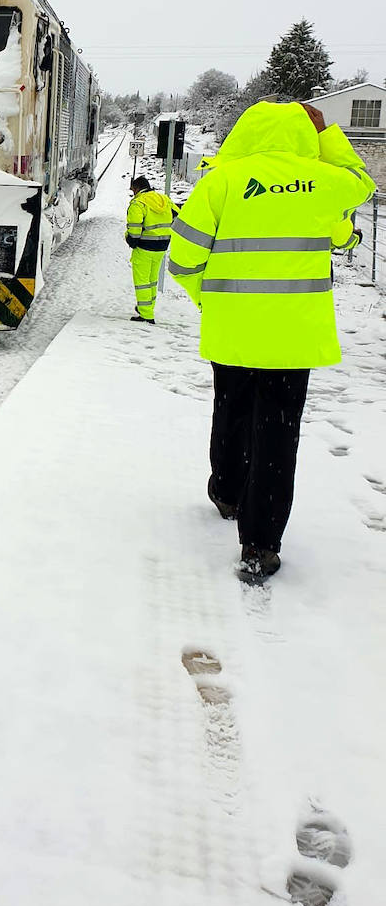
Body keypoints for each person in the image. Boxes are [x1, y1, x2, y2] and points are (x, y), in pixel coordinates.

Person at [168, 100, 375, 581]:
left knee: (232, 411)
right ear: (304, 134)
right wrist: (326, 136)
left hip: (234, 331)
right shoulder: (323, 183)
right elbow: (361, 183)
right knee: (279, 435)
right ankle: (260, 545)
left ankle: (226, 492)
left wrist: (212, 302)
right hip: (293, 337)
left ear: (244, 132)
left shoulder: (220, 182)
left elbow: (181, 261)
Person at [125, 176, 176, 323]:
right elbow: (177, 215)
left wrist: (130, 240)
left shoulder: (138, 203)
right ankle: (148, 307)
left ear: (136, 188)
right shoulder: (163, 199)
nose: (132, 193)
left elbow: (134, 232)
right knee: (152, 280)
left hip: (144, 248)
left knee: (142, 282)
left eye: (132, 190)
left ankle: (146, 314)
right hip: (161, 247)